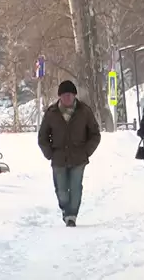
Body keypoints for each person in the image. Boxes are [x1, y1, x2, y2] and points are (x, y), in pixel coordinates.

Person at [37, 80, 101, 227]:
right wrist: (49, 153)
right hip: (58, 158)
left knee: (75, 187)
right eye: (64, 95)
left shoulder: (84, 111)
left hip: (79, 158)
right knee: (61, 190)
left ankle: (71, 215)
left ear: (74, 96)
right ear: (60, 96)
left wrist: (86, 151)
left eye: (70, 95)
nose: (67, 98)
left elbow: (95, 134)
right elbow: (43, 136)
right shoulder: (51, 113)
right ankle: (66, 210)